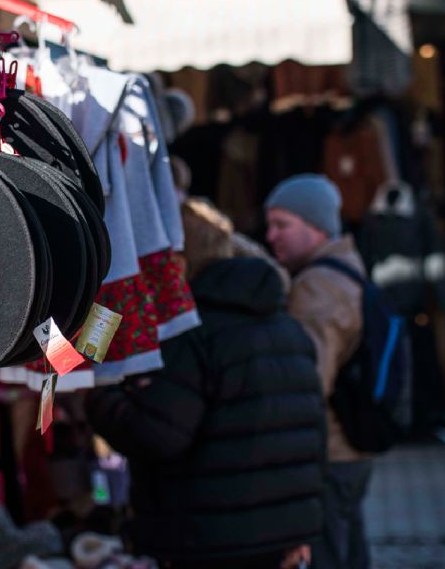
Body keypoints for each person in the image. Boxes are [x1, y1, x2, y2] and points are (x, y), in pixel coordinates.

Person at [86, 197, 325, 569]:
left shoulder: (193, 335)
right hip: (278, 539)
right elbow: (308, 438)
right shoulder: (287, 328)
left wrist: (103, 396)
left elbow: (158, 434)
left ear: (176, 260)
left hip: (208, 538)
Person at [264, 174, 371, 569]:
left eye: (282, 225)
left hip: (330, 453)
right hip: (347, 450)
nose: (272, 235)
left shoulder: (317, 287)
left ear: (317, 227)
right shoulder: (343, 268)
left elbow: (308, 384)